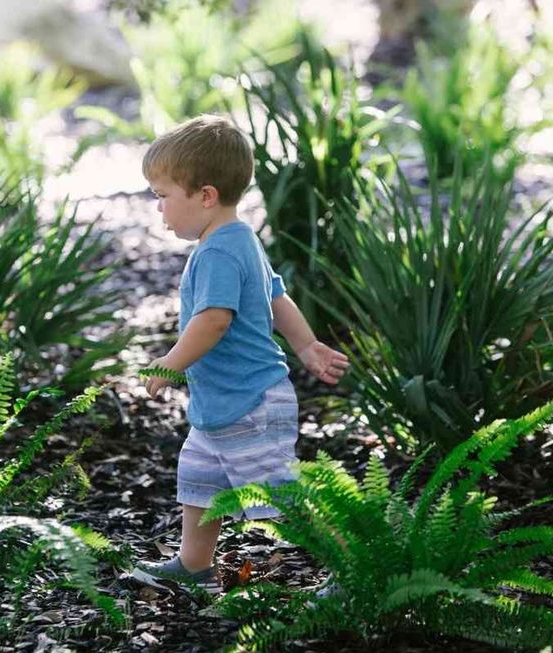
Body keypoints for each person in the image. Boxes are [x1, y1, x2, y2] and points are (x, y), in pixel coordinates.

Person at [131, 114, 349, 595]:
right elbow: (275, 296)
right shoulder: (240, 238)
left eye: (163, 196)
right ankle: (194, 565)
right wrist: (305, 344)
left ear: (205, 196)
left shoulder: (217, 254)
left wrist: (170, 363)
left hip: (249, 403)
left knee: (280, 495)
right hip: (225, 403)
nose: (159, 208)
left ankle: (351, 566)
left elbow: (214, 320)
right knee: (199, 478)